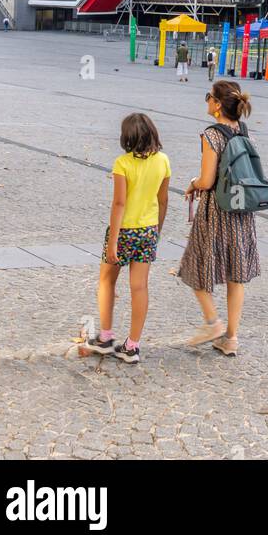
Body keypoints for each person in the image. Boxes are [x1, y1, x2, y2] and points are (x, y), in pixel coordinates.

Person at [178, 77, 261, 357]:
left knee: (196, 266)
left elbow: (206, 179)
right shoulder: (244, 131)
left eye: (208, 97)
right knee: (236, 276)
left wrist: (192, 182)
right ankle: (231, 339)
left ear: (216, 105)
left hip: (216, 211)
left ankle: (213, 322)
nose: (207, 101)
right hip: (242, 211)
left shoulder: (211, 135)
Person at [83, 113, 171, 364]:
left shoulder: (122, 163)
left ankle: (105, 337)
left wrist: (112, 242)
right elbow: (162, 200)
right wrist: (156, 231)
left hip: (123, 231)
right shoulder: (163, 161)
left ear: (127, 138)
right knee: (139, 286)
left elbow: (119, 203)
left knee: (106, 281)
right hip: (148, 230)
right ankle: (132, 346)